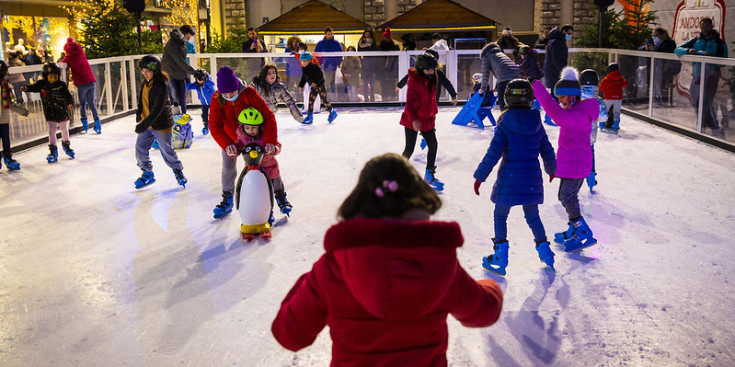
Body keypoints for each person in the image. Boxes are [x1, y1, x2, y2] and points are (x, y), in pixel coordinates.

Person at [271, 152, 504, 366]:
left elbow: (290, 334)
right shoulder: (438, 262)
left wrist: (309, 282)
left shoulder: (334, 267)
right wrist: (491, 287)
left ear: (360, 199)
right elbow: (484, 312)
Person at [474, 79, 557, 275]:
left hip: (509, 180)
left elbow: (493, 153)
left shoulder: (505, 123)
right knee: (533, 216)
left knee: (500, 215)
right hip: (531, 179)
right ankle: (546, 252)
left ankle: (500, 257)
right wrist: (551, 169)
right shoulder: (536, 122)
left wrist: (480, 176)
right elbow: (547, 149)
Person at [531, 67, 599, 252]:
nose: (560, 101)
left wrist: (537, 87)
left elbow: (557, 115)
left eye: (562, 97)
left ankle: (582, 230)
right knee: (567, 195)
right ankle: (573, 230)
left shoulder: (578, 114)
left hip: (576, 165)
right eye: (558, 98)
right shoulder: (577, 110)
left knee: (566, 197)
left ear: (572, 96)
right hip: (573, 164)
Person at [208, 65, 278, 219]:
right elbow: (214, 126)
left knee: (263, 168)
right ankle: (227, 199)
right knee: (228, 168)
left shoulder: (248, 93)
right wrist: (227, 145)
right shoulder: (217, 98)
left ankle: (266, 204)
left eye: (232, 93)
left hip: (253, 138)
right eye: (225, 94)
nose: (228, 96)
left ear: (237, 88)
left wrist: (270, 141)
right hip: (231, 140)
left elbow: (268, 116)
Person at [132, 55, 187, 189]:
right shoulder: (146, 83)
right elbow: (142, 100)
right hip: (147, 123)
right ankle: (147, 173)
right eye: (143, 71)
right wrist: (139, 114)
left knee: (166, 150)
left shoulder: (161, 85)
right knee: (140, 148)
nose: (144, 74)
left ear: (155, 70)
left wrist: (144, 124)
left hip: (161, 125)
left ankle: (178, 171)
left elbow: (158, 108)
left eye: (147, 71)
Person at [675, 17, 728, 136]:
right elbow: (677, 49)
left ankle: (710, 125)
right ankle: (706, 123)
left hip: (711, 76)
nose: (704, 29)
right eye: (702, 27)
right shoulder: (695, 40)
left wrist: (712, 58)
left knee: (708, 101)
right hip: (697, 76)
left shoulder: (719, 43)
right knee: (695, 100)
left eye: (707, 26)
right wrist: (689, 51)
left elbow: (724, 62)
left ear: (712, 26)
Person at [235, 107, 292, 216]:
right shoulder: (243, 137)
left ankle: (282, 201)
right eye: (247, 128)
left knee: (277, 185)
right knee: (262, 193)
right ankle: (267, 211)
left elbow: (277, 145)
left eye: (253, 127)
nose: (250, 130)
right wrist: (235, 149)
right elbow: (239, 145)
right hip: (254, 170)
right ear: (242, 127)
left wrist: (274, 149)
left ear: (260, 127)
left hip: (271, 167)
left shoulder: (266, 136)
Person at [400, 52, 444, 191]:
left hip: (428, 119)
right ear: (420, 68)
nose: (431, 72)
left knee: (433, 145)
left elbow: (431, 99)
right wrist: (414, 121)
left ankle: (429, 174)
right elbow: (409, 105)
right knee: (409, 149)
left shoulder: (433, 76)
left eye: (432, 69)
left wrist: (433, 114)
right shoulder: (414, 81)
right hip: (412, 120)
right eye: (428, 70)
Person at [22, 63, 76, 163]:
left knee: (64, 129)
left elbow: (68, 96)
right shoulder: (42, 84)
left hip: (62, 111)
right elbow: (34, 88)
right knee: (52, 131)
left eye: (55, 77)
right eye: (50, 77)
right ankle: (53, 151)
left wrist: (70, 103)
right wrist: (27, 88)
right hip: (50, 112)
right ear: (45, 76)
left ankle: (67, 146)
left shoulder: (61, 85)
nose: (53, 79)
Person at [62, 37, 101, 134]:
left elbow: (61, 63)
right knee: (91, 103)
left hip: (82, 83)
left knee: (83, 104)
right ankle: (97, 124)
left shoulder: (69, 57)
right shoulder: (82, 54)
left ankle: (85, 124)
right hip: (91, 81)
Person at [579, 69, 606, 190]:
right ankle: (591, 177)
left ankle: (574, 178)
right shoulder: (598, 100)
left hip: (576, 135)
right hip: (590, 136)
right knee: (590, 154)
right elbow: (603, 117)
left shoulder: (575, 98)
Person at [542, 24, 574, 125]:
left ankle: (549, 116)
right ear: (564, 32)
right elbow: (556, 59)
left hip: (553, 71)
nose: (570, 36)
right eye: (569, 33)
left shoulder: (555, 40)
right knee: (556, 95)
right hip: (555, 72)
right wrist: (563, 71)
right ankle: (549, 116)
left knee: (555, 94)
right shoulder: (557, 42)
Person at [161, 28, 196, 114]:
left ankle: (183, 116)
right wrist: (193, 72)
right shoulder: (172, 45)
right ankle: (176, 119)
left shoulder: (182, 43)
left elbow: (182, 60)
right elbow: (179, 61)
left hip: (180, 73)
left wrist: (188, 73)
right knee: (175, 99)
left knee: (182, 97)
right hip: (170, 74)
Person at [298, 51, 337, 124]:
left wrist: (315, 82)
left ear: (309, 60)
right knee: (310, 101)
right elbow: (304, 78)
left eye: (305, 61)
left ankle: (332, 112)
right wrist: (300, 85)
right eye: (302, 61)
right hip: (313, 88)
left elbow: (320, 76)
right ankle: (309, 117)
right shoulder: (304, 69)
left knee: (324, 100)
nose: (303, 63)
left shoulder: (315, 67)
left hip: (320, 86)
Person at [0, 60, 26, 171]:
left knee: (6, 140)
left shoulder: (6, 86)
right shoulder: (5, 86)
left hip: (4, 120)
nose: (8, 74)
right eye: (6, 71)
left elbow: (11, 103)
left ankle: (8, 159)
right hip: (3, 119)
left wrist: (22, 111)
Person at [479, 42, 521, 111]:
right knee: (515, 100)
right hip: (517, 76)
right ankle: (516, 118)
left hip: (505, 79)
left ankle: (505, 119)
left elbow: (485, 74)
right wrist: (496, 86)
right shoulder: (501, 54)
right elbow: (503, 69)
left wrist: (483, 88)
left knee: (502, 100)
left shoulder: (486, 55)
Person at [185, 68, 216, 134]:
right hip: (204, 103)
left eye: (201, 80)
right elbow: (188, 87)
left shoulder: (208, 83)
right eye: (198, 80)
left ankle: (216, 125)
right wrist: (187, 80)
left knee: (214, 115)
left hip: (213, 102)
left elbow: (212, 84)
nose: (200, 82)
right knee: (204, 115)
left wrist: (207, 77)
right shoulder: (196, 85)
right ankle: (206, 126)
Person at [599, 63, 627, 133]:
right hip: (618, 98)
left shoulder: (606, 79)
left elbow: (601, 88)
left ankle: (601, 125)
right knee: (616, 112)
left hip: (608, 97)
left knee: (605, 111)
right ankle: (616, 125)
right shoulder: (621, 79)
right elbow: (625, 84)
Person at [314, 27, 343, 94]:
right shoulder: (320, 43)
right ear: (325, 34)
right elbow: (316, 54)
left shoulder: (336, 43)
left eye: (331, 34)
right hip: (324, 66)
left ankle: (333, 97)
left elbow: (340, 54)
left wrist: (338, 63)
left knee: (333, 81)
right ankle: (326, 96)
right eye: (329, 34)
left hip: (334, 66)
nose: (330, 35)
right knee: (326, 81)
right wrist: (320, 63)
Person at [378, 31, 400, 101]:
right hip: (382, 70)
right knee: (383, 86)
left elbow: (397, 59)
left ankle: (392, 100)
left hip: (392, 70)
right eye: (384, 38)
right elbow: (377, 60)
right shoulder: (379, 48)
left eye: (386, 38)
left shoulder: (395, 47)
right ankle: (384, 100)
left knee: (392, 86)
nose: (385, 39)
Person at [357, 29, 378, 102]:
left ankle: (372, 98)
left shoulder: (373, 43)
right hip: (364, 64)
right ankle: (366, 98)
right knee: (365, 84)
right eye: (366, 34)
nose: (367, 36)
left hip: (372, 64)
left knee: (372, 83)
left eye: (368, 34)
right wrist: (361, 61)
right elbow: (359, 53)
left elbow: (374, 53)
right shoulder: (360, 43)